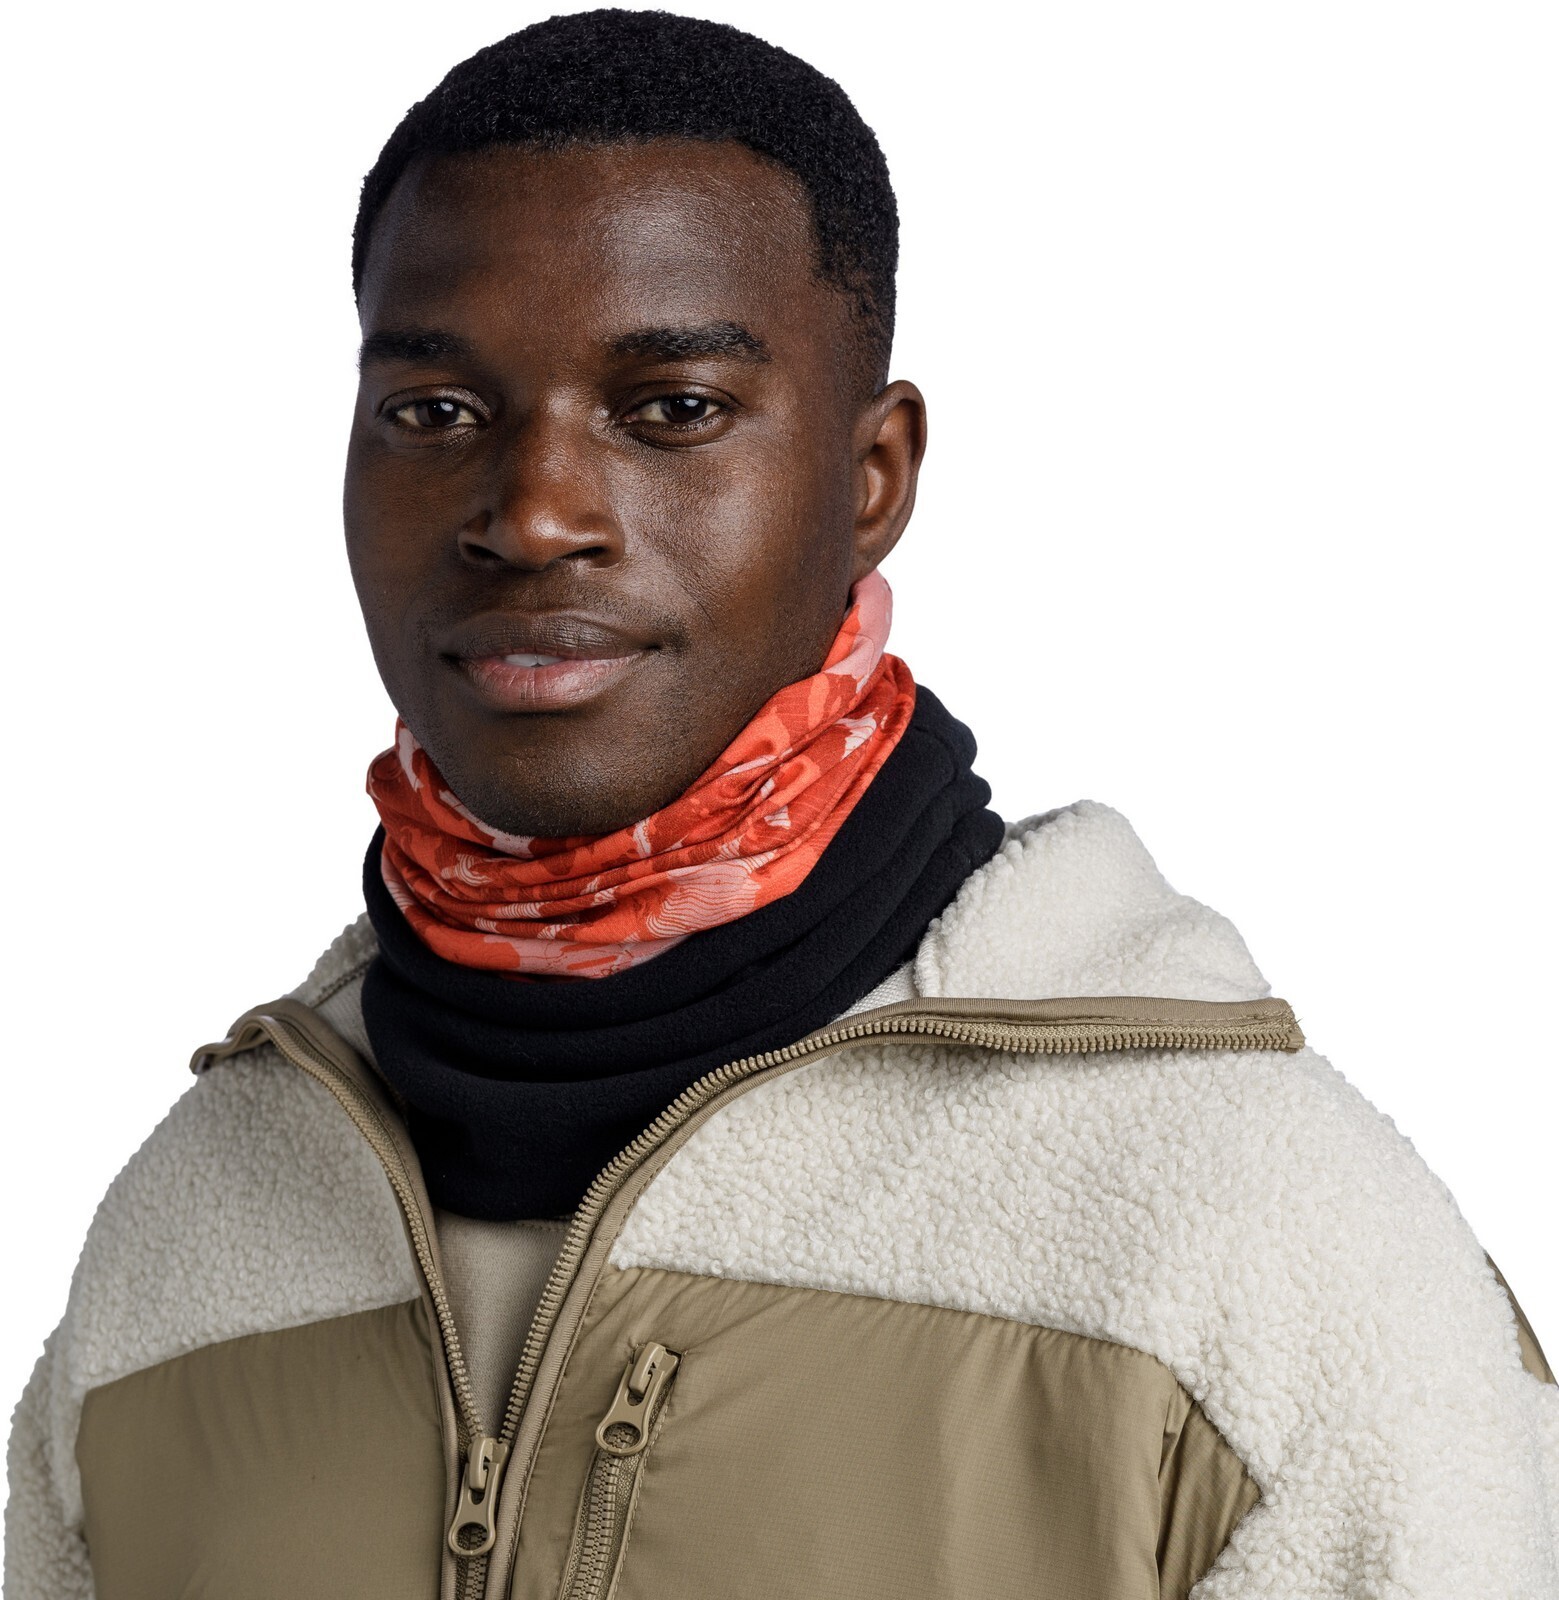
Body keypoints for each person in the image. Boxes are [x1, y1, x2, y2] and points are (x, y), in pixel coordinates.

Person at [5, 10, 1555, 1598]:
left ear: (873, 478)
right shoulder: (179, 1253)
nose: (532, 515)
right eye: (436, 413)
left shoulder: (1257, 1244)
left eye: (671, 408)